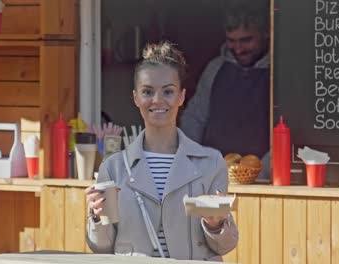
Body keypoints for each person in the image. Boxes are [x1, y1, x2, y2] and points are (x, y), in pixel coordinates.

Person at [85, 42, 238, 261]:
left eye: (168, 91)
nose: (157, 100)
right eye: (147, 91)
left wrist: (216, 225)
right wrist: (97, 217)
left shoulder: (211, 163)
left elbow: (225, 246)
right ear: (136, 97)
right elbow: (101, 247)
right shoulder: (113, 167)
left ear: (182, 97)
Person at [180, 1, 271, 179]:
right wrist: (193, 164)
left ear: (266, 33)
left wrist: (259, 174)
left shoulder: (279, 73)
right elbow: (194, 119)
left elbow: (288, 134)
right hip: (210, 176)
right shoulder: (215, 69)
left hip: (262, 181)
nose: (238, 48)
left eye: (246, 40)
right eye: (232, 41)